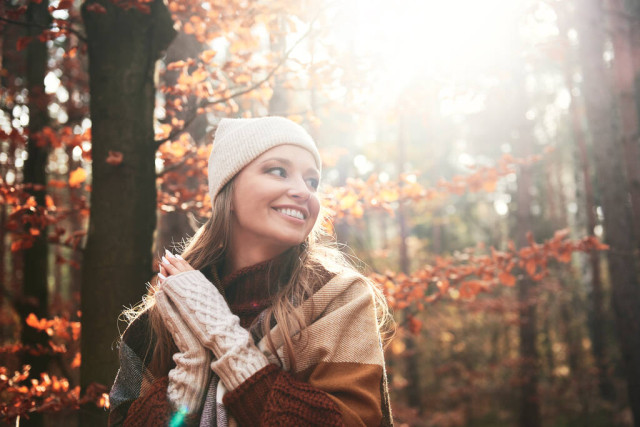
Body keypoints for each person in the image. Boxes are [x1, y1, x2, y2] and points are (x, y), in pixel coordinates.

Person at [108, 116, 394, 426]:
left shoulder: (339, 298)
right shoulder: (160, 320)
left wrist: (223, 336)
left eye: (312, 181)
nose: (304, 191)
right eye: (278, 171)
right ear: (228, 193)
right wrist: (191, 369)